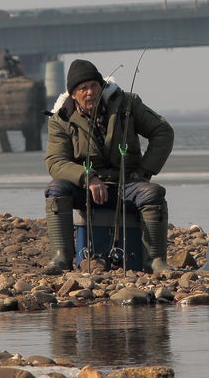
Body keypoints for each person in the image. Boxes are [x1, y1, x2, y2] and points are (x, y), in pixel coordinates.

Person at [44, 58, 174, 272]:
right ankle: (60, 259)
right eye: (83, 88)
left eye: (94, 86)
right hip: (84, 187)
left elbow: (163, 132)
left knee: (153, 194)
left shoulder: (128, 104)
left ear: (101, 86)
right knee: (55, 190)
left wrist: (145, 170)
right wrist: (89, 178)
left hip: (127, 184)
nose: (90, 92)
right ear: (73, 94)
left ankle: (156, 261)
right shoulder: (61, 119)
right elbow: (55, 161)